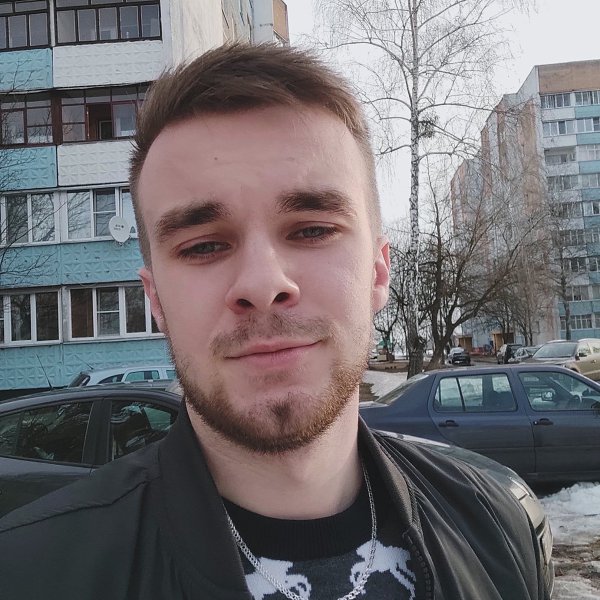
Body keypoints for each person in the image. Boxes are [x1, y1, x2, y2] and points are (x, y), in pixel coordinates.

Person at [0, 44, 549, 600]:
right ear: (156, 300)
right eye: (203, 245)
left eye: (312, 229)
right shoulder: (29, 572)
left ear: (378, 272)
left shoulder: (496, 529)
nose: (263, 285)